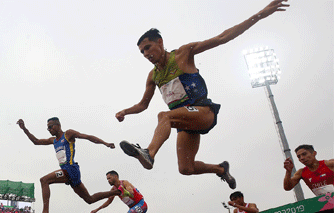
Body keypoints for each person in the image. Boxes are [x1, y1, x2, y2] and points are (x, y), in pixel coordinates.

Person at [115, 0, 290, 189]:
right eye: (142, 52)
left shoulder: (183, 54)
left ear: (160, 42)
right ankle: (221, 170)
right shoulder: (153, 76)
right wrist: (125, 111)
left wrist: (261, 14)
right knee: (186, 168)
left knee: (163, 116)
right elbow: (143, 105)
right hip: (183, 120)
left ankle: (149, 153)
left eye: (148, 48)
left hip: (202, 111)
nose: (146, 54)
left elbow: (222, 37)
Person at [17, 118, 131, 213]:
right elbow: (36, 141)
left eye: (51, 127)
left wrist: (105, 143)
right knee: (89, 199)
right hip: (68, 172)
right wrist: (24, 129)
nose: (49, 130)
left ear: (58, 125)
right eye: (48, 128)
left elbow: (87, 137)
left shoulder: (68, 134)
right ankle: (118, 192)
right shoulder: (53, 140)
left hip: (71, 169)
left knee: (44, 180)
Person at [283, 144, 334, 213]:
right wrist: (288, 172)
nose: (302, 158)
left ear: (314, 153)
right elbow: (287, 187)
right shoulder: (301, 172)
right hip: (326, 205)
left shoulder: (329, 164)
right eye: (299, 157)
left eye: (304, 154)